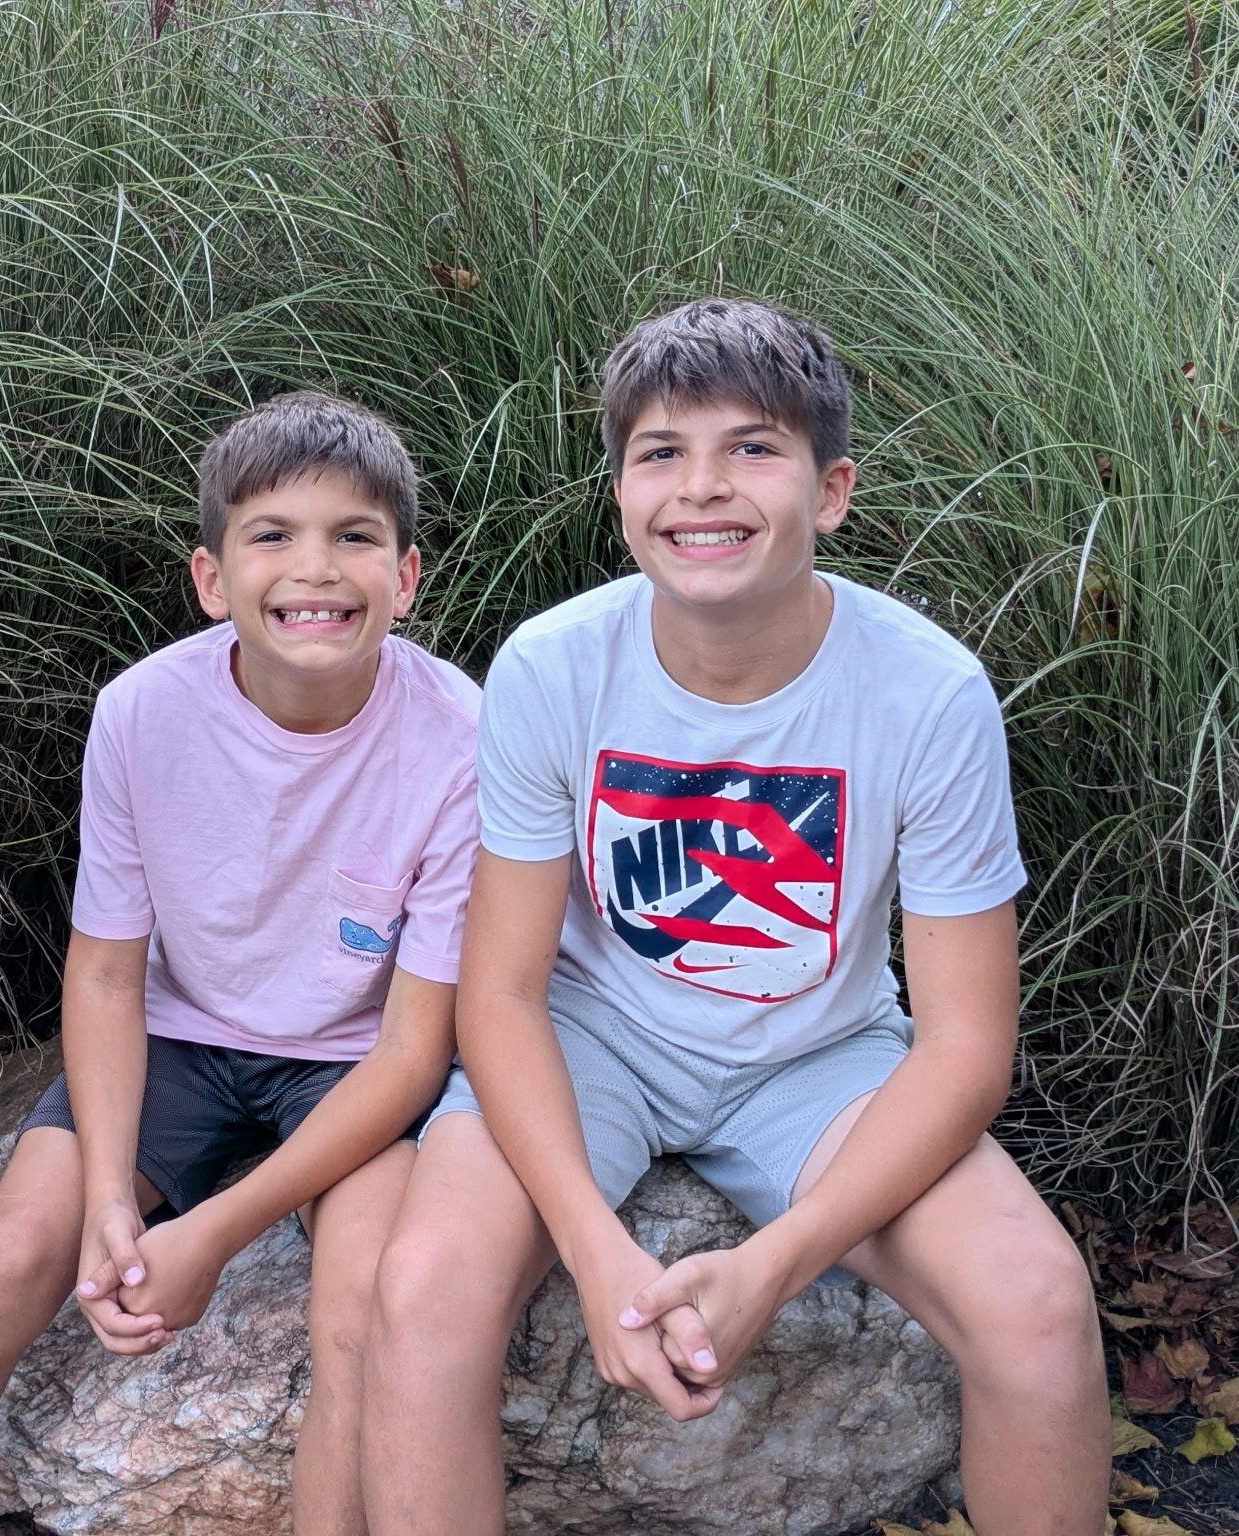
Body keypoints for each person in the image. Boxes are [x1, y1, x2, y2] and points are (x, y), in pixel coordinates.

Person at [362, 299, 1109, 1535]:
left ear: (832, 491)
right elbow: (499, 992)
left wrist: (779, 1261)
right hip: (593, 1039)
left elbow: (968, 1045)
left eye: (754, 448)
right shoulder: (553, 667)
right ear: (620, 492)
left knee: (1038, 1308)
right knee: (424, 1290)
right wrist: (596, 1249)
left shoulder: (929, 694)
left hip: (819, 1058)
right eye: (661, 451)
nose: (701, 487)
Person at [0, 391, 480, 1536]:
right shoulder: (142, 714)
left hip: (356, 1064)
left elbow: (417, 1051)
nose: (315, 568)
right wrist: (113, 1198)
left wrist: (210, 1235)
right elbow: (110, 973)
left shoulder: (462, 737)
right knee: (12, 1247)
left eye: (355, 536)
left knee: (364, 1309)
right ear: (212, 578)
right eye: (272, 534)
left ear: (406, 577)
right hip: (182, 1040)